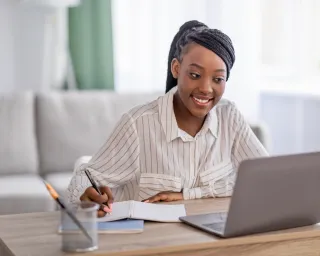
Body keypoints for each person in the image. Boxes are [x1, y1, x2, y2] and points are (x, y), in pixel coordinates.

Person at [66, 20, 269, 217]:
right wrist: (87, 196)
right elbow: (84, 179)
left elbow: (268, 179)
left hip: (211, 241)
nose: (206, 89)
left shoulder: (229, 117)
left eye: (217, 79)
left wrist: (188, 195)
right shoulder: (138, 125)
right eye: (195, 75)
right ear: (176, 68)